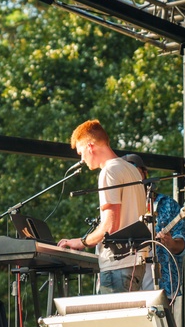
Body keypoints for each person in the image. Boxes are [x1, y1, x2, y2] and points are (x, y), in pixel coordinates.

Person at [56, 120, 153, 293]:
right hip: (135, 264)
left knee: (111, 320)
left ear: (90, 146)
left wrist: (81, 242)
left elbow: (109, 227)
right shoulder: (130, 169)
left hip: (117, 265)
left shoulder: (109, 171)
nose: (82, 159)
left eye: (81, 153)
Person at [122, 154, 185, 300]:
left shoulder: (167, 204)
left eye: (133, 170)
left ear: (144, 173)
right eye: (125, 172)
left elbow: (183, 242)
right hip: (128, 285)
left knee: (162, 323)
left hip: (162, 286)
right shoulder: (119, 208)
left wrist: (171, 244)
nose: (130, 175)